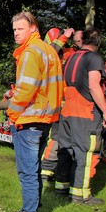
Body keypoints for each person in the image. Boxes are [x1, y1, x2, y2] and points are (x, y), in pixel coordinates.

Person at [0, 12, 64, 212]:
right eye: (14, 29)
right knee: (34, 172)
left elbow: (27, 90)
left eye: (20, 29)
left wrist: (12, 113)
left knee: (27, 174)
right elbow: (39, 86)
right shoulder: (48, 50)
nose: (16, 33)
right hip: (44, 120)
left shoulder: (29, 52)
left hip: (28, 123)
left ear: (33, 28)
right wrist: (13, 93)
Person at [54, 27, 106, 205]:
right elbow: (94, 87)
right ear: (98, 42)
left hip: (67, 109)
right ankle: (81, 195)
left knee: (65, 150)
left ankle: (61, 186)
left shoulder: (71, 56)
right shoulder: (94, 58)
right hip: (84, 111)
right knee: (86, 153)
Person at [41, 27, 76, 182]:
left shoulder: (68, 53)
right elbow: (51, 52)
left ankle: (55, 170)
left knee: (63, 138)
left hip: (69, 103)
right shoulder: (47, 54)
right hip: (56, 103)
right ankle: (47, 170)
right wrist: (64, 37)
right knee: (55, 137)